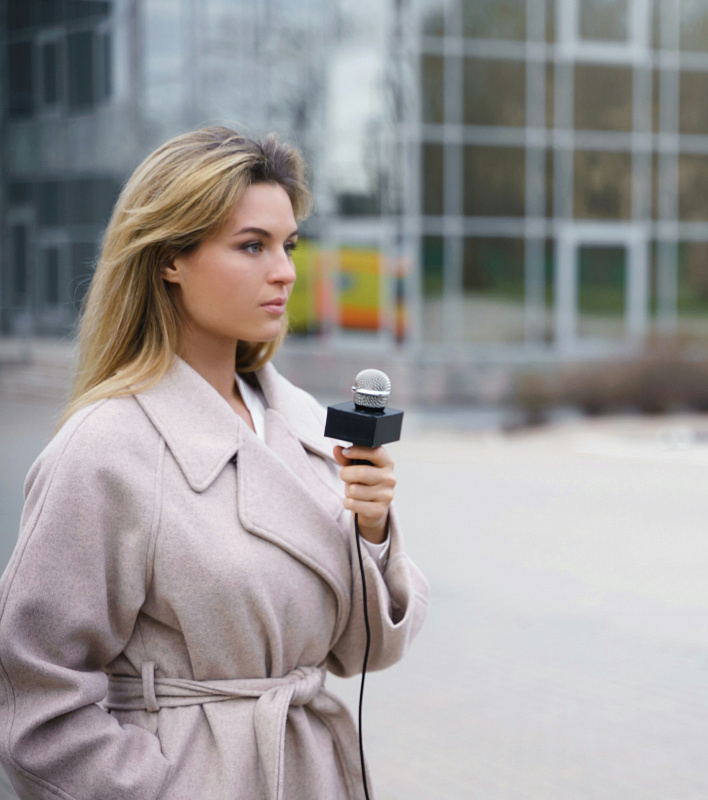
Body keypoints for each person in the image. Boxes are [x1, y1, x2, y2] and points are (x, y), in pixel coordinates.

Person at [0, 127, 428, 799]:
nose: (284, 270)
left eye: (287, 245)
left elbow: (359, 652)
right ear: (171, 258)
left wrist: (372, 533)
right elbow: (37, 702)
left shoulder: (307, 425)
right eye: (251, 246)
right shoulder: (106, 449)